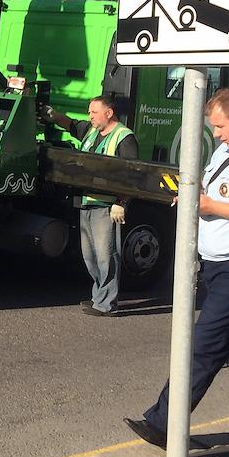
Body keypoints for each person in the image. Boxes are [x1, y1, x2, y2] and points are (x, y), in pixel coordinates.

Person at [125, 88, 229, 448]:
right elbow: (211, 189)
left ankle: (163, 423)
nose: (215, 133)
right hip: (220, 267)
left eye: (220, 126)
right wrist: (191, 196)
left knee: (204, 345)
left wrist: (212, 206)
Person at [42, 96, 139, 316]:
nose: (90, 116)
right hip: (86, 201)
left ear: (109, 113)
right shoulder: (92, 131)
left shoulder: (124, 138)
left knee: (106, 254)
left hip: (106, 205)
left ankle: (107, 304)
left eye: (94, 112)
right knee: (90, 255)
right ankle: (98, 298)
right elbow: (71, 125)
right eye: (89, 112)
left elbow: (132, 174)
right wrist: (54, 116)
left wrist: (121, 202)